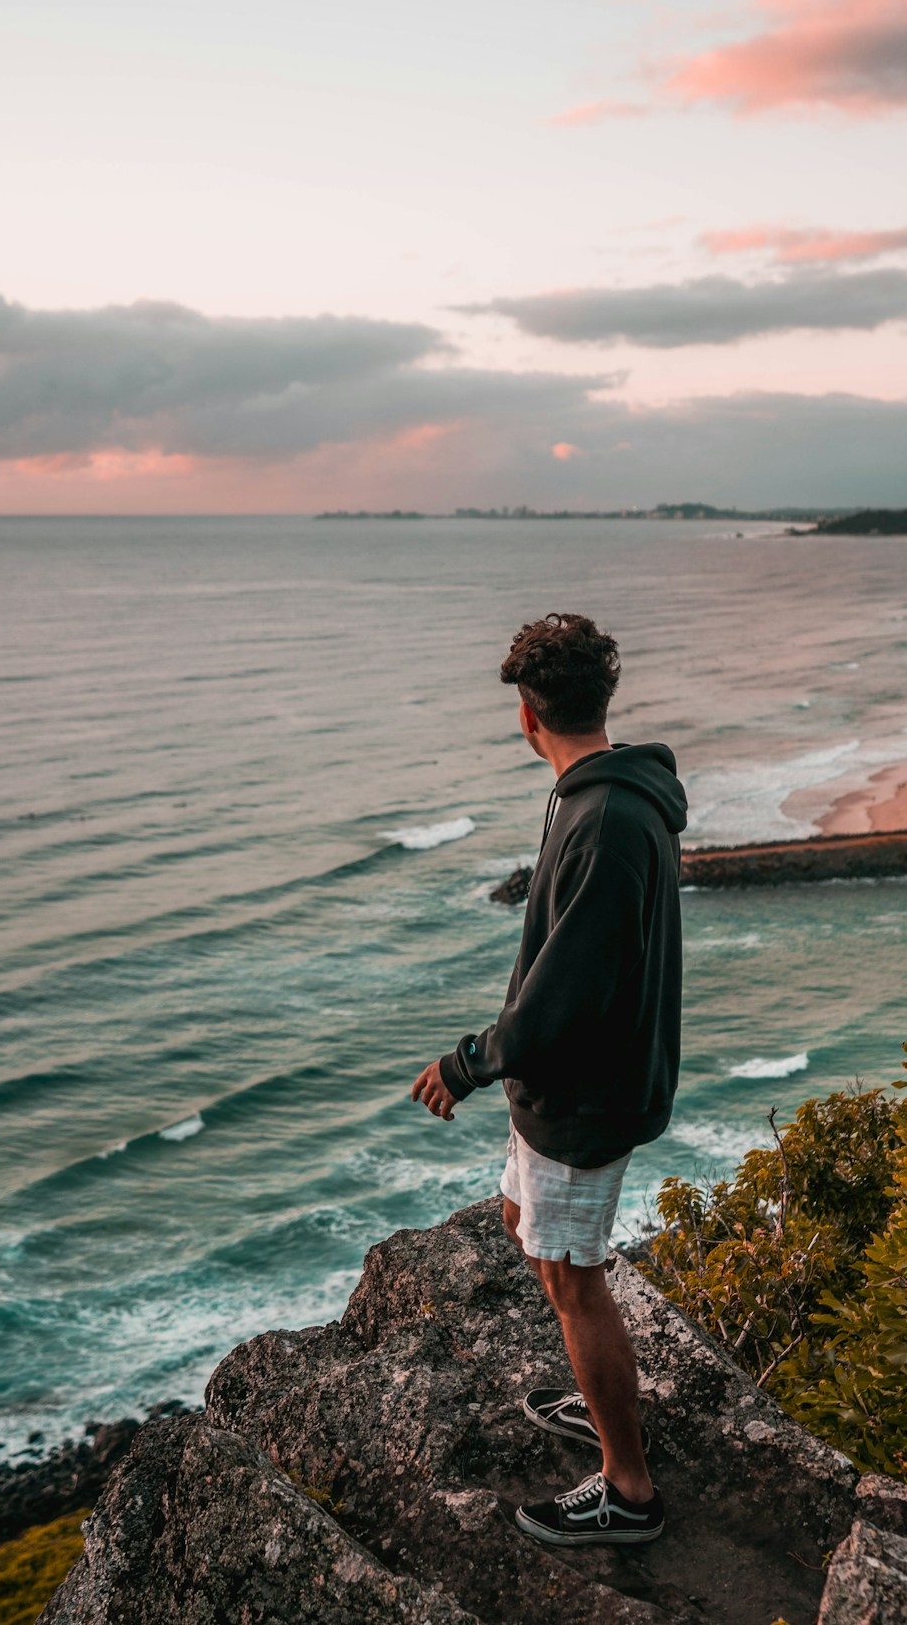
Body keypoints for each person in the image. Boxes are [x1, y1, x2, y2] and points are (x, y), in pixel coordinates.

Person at [411, 610, 687, 1547]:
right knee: (525, 1229)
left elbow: (564, 992)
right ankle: (607, 1405)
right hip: (568, 1088)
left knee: (576, 1281)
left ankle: (629, 1487)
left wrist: (469, 1063)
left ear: (527, 717)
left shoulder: (604, 815)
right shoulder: (599, 789)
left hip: (584, 1093)